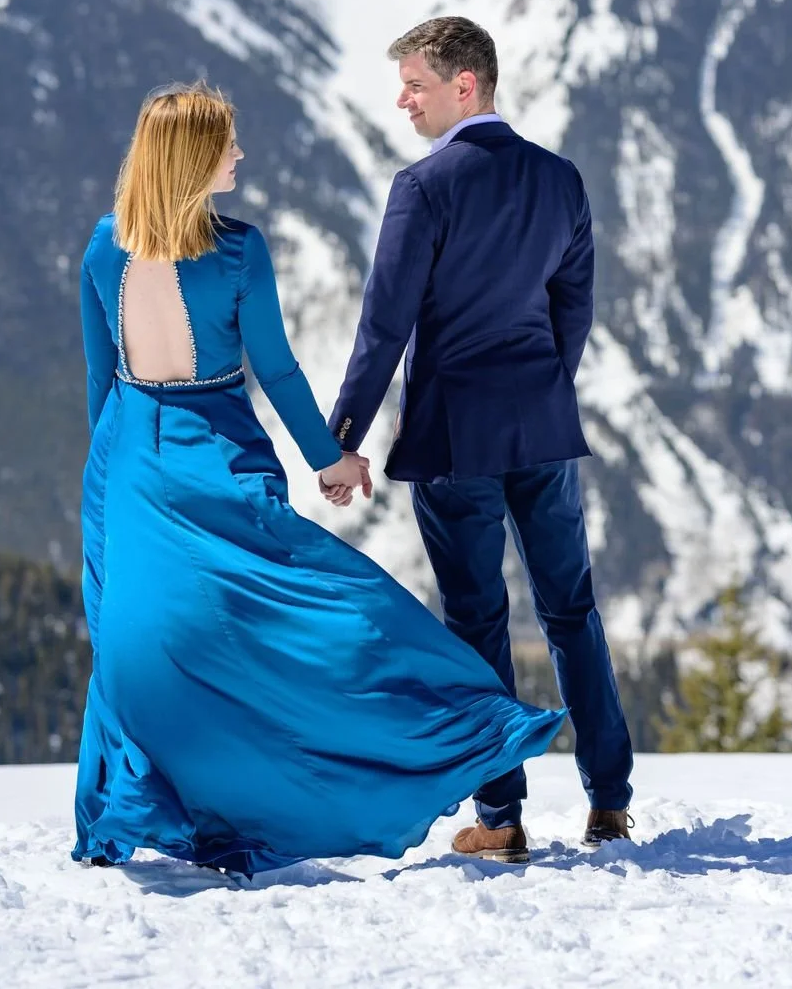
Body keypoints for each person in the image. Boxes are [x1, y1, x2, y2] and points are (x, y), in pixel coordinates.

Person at [73, 81, 562, 875]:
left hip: (126, 463)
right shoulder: (236, 250)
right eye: (227, 143)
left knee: (137, 643)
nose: (240, 154)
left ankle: (135, 806)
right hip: (213, 454)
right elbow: (278, 371)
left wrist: (104, 494)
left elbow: (102, 383)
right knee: (324, 607)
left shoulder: (103, 248)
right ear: (194, 159)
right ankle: (464, 727)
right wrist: (331, 459)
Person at [326, 17, 634, 861]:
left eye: (415, 85)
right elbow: (573, 311)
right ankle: (610, 800)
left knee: (477, 622)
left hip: (455, 436)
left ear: (467, 86)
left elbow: (383, 326)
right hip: (543, 428)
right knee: (572, 611)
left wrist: (343, 435)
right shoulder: (562, 179)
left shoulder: (424, 188)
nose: (402, 101)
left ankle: (500, 816)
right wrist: (539, 388)